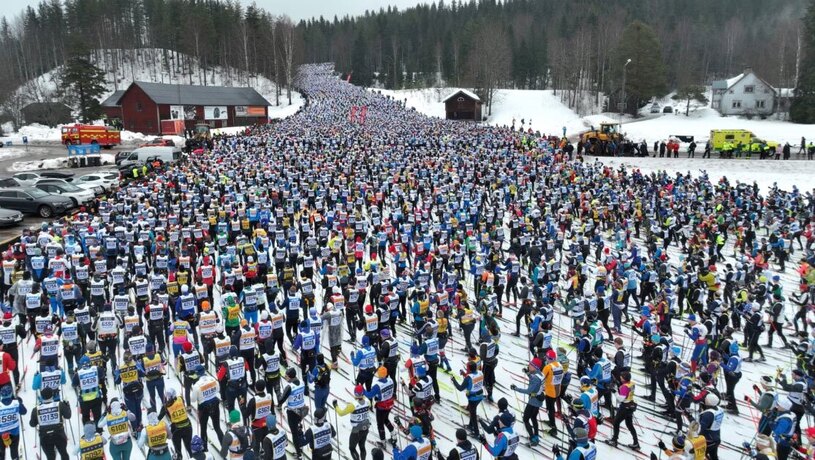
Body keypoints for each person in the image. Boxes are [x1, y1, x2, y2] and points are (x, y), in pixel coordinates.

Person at [28, 387, 71, 460]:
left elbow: (32, 424)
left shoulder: (36, 409)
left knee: (50, 457)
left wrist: (35, 416)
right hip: (59, 434)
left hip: (45, 436)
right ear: (52, 395)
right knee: (63, 453)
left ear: (42, 397)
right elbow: (68, 416)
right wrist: (67, 406)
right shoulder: (59, 404)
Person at [333, 384, 371, 460]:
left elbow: (341, 413)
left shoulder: (352, 405)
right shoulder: (368, 401)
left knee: (352, 448)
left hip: (356, 430)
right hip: (366, 428)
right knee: (362, 446)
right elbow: (367, 406)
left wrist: (336, 406)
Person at [190, 372, 225, 450]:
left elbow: (193, 400)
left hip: (203, 408)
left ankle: (204, 448)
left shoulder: (197, 385)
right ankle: (224, 446)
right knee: (217, 427)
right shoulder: (212, 379)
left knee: (203, 428)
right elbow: (218, 389)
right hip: (215, 404)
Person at [158, 388, 194, 458]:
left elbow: (159, 418)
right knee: (189, 447)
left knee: (178, 451)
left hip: (176, 429)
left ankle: (179, 457)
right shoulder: (180, 399)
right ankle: (192, 457)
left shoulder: (166, 406)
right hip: (187, 426)